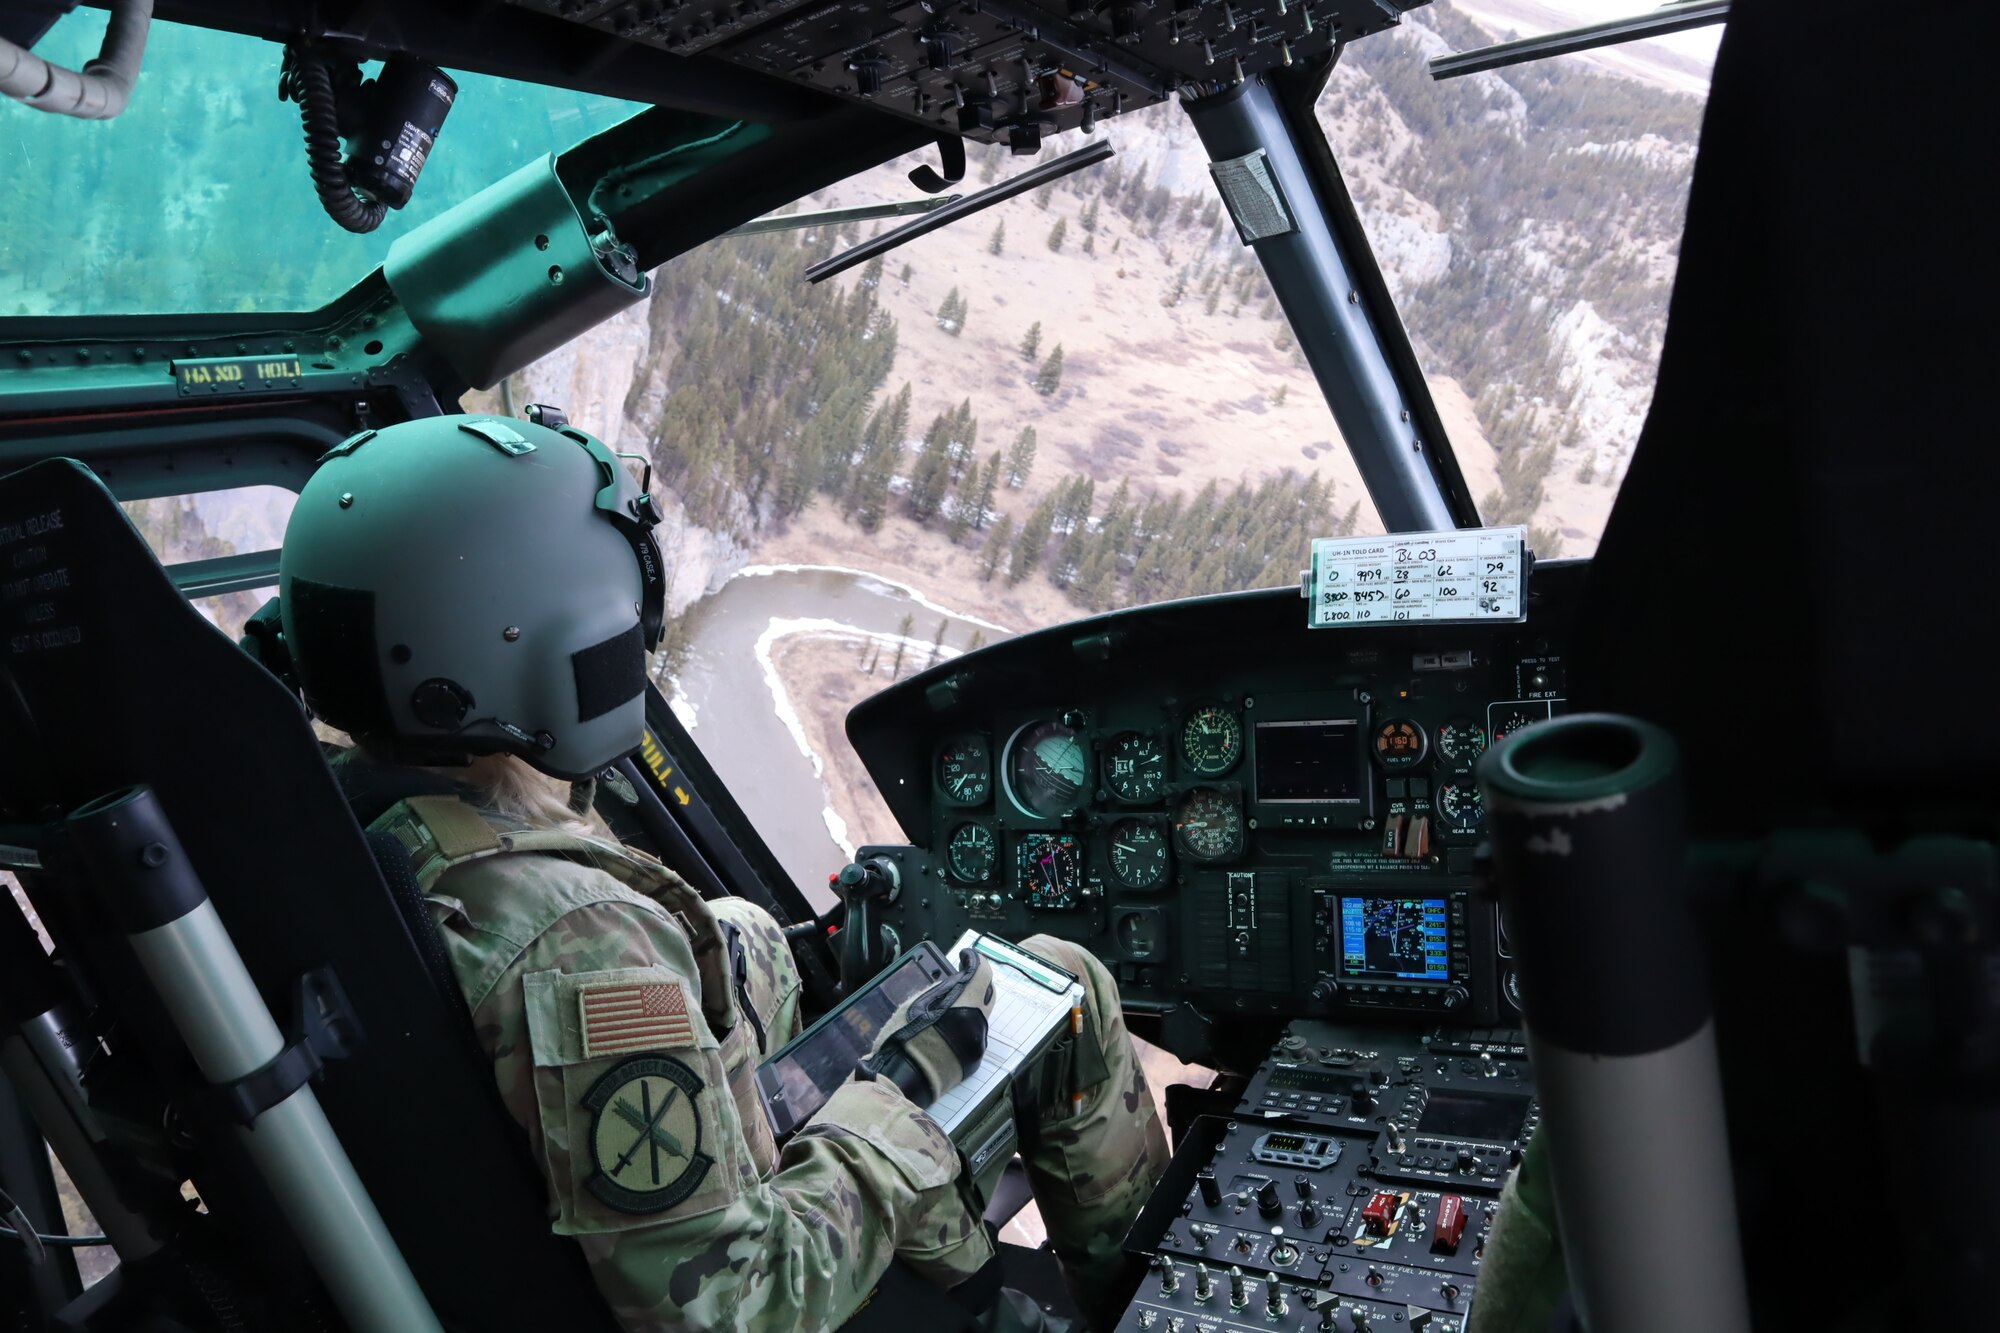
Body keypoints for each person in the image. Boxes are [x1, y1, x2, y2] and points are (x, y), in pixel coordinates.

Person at [273, 412, 1170, 1332]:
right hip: (757, 1281)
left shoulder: (326, 825)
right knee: (1063, 977)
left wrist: (765, 963)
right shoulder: (577, 940)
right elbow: (736, 1308)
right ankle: (1154, 1311)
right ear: (539, 649)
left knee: (742, 920)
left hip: (514, 1240)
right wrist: (896, 1097)